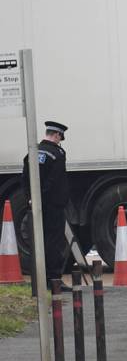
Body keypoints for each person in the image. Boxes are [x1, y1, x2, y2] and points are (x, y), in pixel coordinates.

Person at [21, 121, 71, 291]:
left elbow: (25, 178)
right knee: (54, 242)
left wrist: (31, 197)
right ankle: (54, 279)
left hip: (36, 205)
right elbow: (54, 181)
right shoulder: (57, 153)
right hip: (53, 206)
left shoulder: (33, 152)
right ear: (56, 135)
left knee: (39, 241)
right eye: (60, 138)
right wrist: (44, 195)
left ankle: (40, 280)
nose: (59, 141)